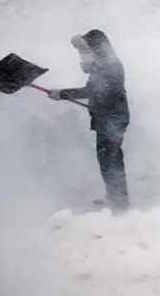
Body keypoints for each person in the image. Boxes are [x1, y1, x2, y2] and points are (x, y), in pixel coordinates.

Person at [49, 29, 131, 212]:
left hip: (112, 120)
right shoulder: (102, 65)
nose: (82, 54)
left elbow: (94, 91)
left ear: (97, 48)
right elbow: (95, 88)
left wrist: (62, 94)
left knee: (110, 161)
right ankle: (115, 198)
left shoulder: (109, 66)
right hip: (108, 118)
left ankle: (120, 204)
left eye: (85, 50)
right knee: (108, 160)